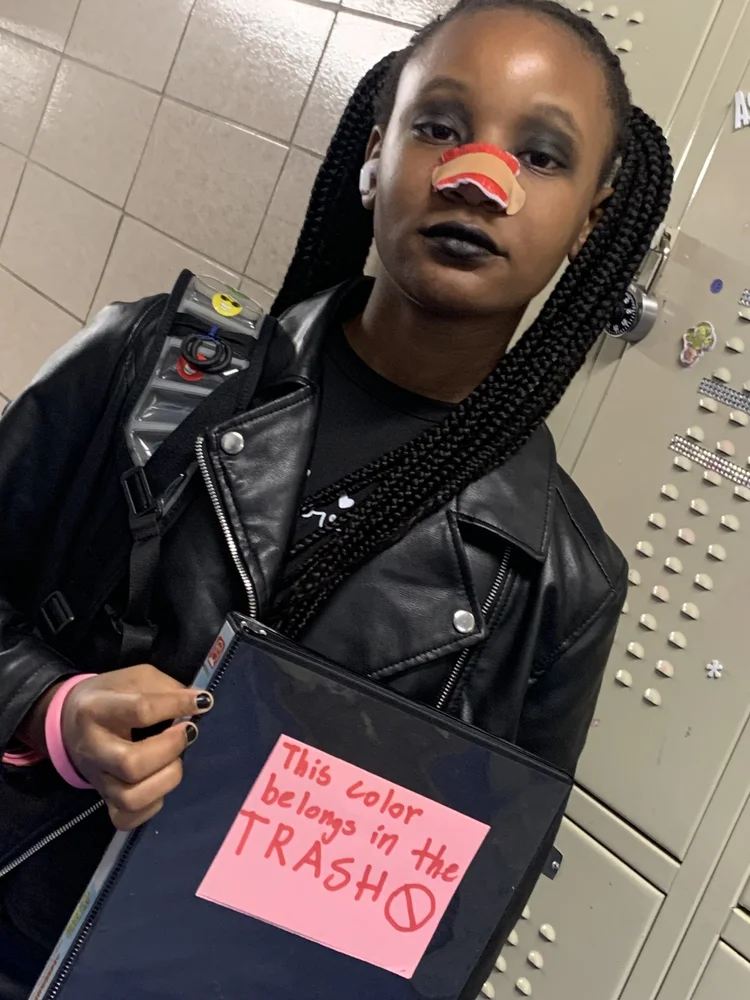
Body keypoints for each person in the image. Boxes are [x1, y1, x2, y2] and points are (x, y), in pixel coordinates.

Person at [0, 0, 673, 994]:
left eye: (540, 156)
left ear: (592, 220)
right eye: (440, 127)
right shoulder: (152, 365)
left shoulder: (556, 582)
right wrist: (52, 713)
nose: (477, 179)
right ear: (373, 157)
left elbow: (451, 916)